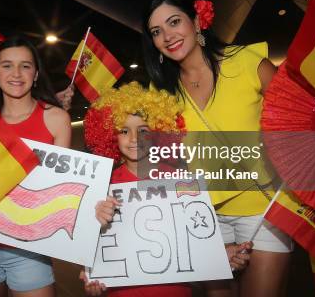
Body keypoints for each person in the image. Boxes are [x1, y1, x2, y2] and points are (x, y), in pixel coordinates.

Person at [141, 0, 315, 297]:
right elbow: (163, 162)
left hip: (265, 210)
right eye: (157, 32)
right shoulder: (159, 92)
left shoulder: (246, 62)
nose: (168, 36)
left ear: (197, 22)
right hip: (203, 217)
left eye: (174, 22)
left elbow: (301, 113)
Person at [0, 35, 117, 297]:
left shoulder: (56, 119)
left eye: (25, 66)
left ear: (36, 74)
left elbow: (59, 194)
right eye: (6, 65)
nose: (16, 73)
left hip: (29, 247)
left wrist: (93, 204)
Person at [79, 82, 252, 297]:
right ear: (111, 136)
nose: (134, 139)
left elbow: (196, 239)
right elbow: (92, 247)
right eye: (124, 130)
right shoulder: (103, 186)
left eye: (143, 130)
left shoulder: (181, 180)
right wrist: (92, 274)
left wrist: (222, 256)